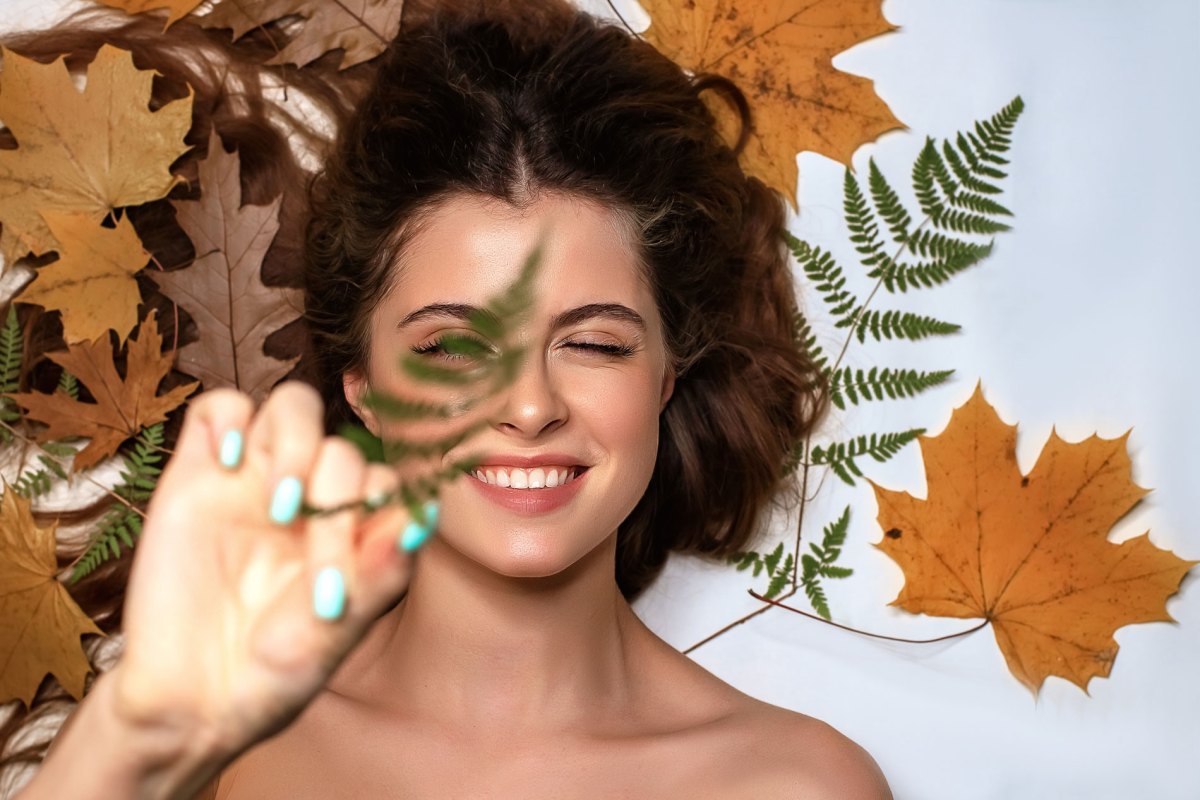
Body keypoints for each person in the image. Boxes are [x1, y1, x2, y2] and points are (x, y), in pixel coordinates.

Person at [7, 0, 892, 797]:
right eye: (453, 346)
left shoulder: (794, 782)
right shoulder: (235, 755)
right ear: (366, 390)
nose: (530, 405)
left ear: (664, 377)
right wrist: (132, 735)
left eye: (592, 343)